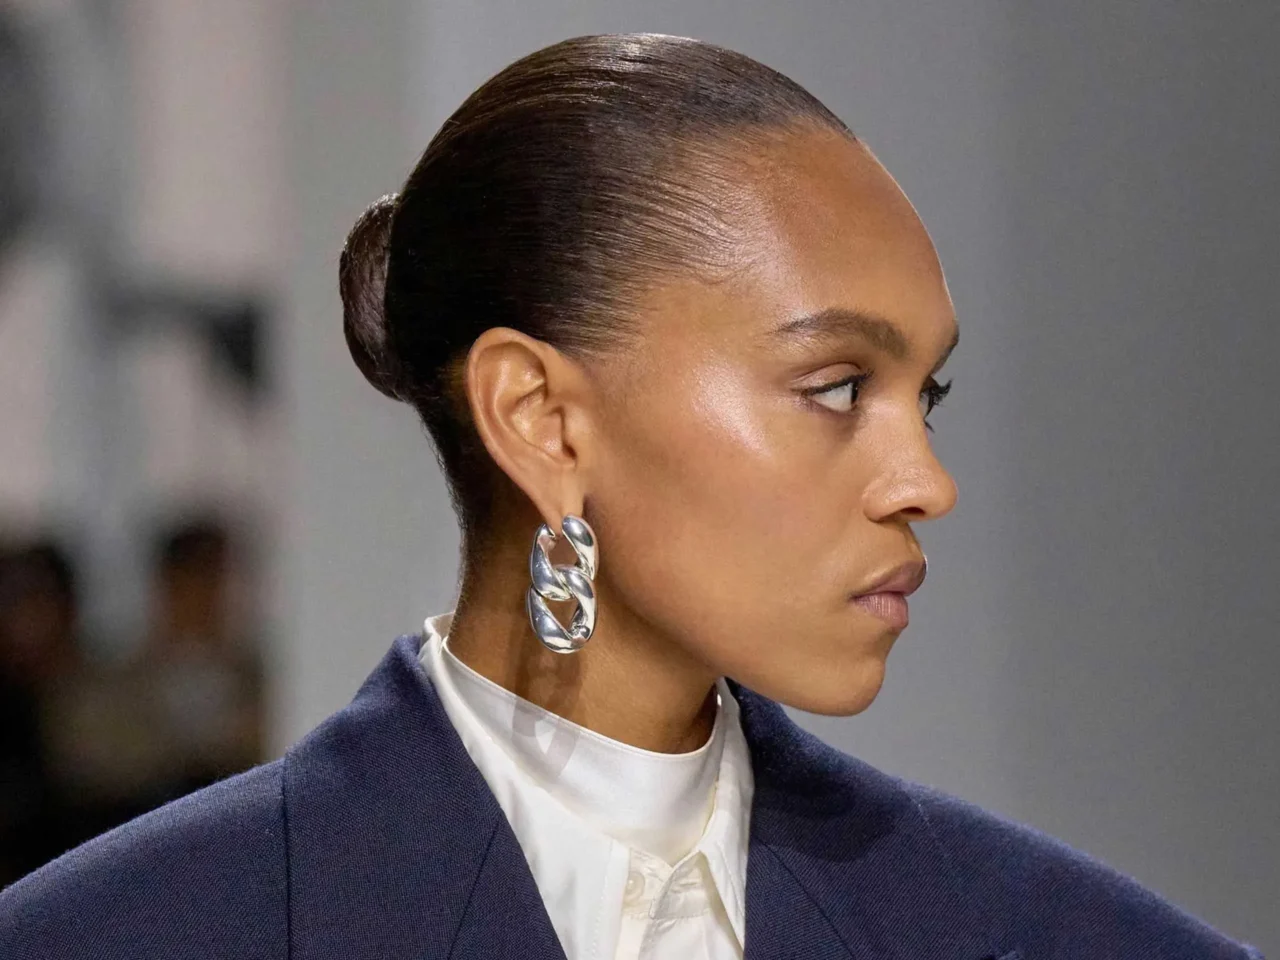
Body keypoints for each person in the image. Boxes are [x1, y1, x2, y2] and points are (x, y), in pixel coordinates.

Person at [0, 33, 1265, 960]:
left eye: (920, 396)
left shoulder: (1062, 935)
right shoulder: (119, 935)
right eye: (835, 386)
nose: (924, 482)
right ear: (541, 419)